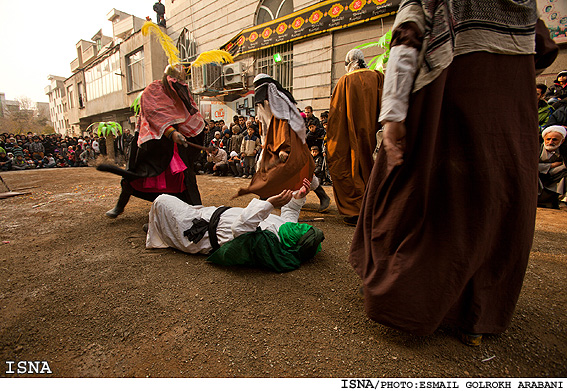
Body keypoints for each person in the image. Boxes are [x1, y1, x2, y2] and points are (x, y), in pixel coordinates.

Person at [348, 0, 558, 346]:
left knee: (417, 196)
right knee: (493, 203)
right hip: (508, 111)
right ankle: (477, 316)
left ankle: (406, 300)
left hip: (448, 101)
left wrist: (393, 113)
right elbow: (544, 46)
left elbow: (407, 39)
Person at [98, 63, 206, 218]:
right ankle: (120, 205)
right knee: (135, 172)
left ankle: (197, 211)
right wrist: (171, 132)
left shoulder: (180, 90)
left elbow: (189, 112)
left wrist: (188, 132)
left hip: (174, 143)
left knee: (185, 176)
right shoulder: (153, 90)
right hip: (150, 139)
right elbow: (153, 114)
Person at [146, 178, 324, 272]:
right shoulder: (288, 232)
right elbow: (290, 214)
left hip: (200, 230)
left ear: (294, 242)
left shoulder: (268, 243)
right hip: (211, 213)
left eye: (300, 230)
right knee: (169, 212)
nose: (298, 226)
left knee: (162, 201)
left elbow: (240, 228)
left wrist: (269, 204)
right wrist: (298, 197)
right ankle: (159, 227)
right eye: (303, 226)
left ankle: (158, 232)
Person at [326, 49, 384, 226]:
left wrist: (332, 142)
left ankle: (355, 211)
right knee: (374, 168)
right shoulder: (378, 77)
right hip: (375, 135)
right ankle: (376, 209)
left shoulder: (345, 81)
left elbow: (336, 117)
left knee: (351, 168)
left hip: (351, 137)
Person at [237, 74, 314, 199]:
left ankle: (320, 194)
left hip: (289, 143)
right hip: (271, 144)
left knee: (299, 170)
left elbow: (285, 127)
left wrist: (284, 148)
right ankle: (266, 197)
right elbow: (264, 127)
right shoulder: (264, 104)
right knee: (264, 168)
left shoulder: (281, 103)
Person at [538, 126, 567, 209]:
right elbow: (529, 166)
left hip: (553, 181)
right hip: (537, 181)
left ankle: (562, 201)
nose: (550, 142)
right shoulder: (538, 149)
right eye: (548, 139)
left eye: (554, 140)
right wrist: (551, 165)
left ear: (562, 141)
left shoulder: (563, 152)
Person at [310, 146, 330, 212]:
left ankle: (324, 197)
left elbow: (319, 167)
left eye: (315, 151)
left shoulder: (319, 158)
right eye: (312, 151)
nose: (314, 153)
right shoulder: (312, 158)